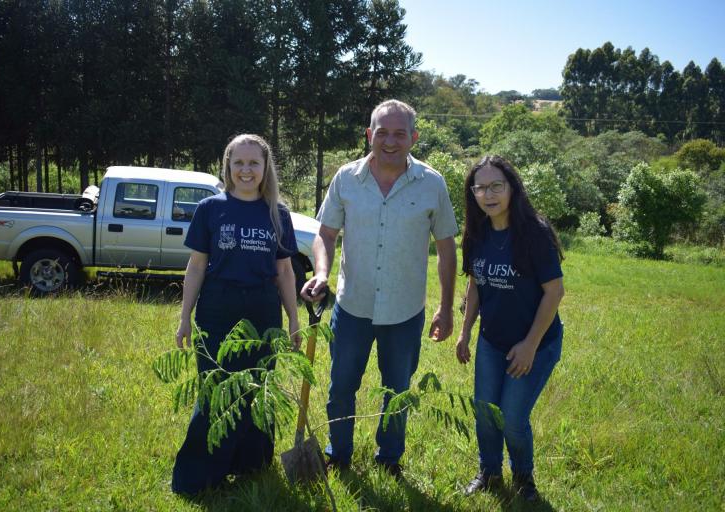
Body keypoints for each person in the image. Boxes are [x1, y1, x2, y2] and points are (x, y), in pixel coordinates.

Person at [301, 99, 458, 478]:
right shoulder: (346, 178)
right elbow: (325, 233)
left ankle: (389, 459)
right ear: (369, 135)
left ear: (413, 137)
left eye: (399, 133)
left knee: (397, 391)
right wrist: (321, 272)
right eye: (382, 132)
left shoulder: (432, 183)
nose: (390, 141)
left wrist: (447, 307)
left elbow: (447, 247)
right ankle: (338, 453)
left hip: (404, 312)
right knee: (341, 387)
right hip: (351, 306)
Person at [172, 134, 301, 495]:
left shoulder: (278, 213)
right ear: (228, 165)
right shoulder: (211, 209)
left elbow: (285, 273)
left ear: (265, 168)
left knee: (257, 388)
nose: (246, 170)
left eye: (254, 163)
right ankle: (199, 477)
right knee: (215, 388)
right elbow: (196, 267)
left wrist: (292, 320)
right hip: (218, 308)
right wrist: (185, 317)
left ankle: (251, 465)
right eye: (238, 162)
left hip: (262, 309)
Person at [455, 155, 565, 502]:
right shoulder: (477, 233)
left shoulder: (534, 233)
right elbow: (475, 285)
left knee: (513, 417)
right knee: (486, 411)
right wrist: (465, 332)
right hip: (492, 341)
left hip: (536, 342)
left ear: (512, 189)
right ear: (473, 194)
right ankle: (488, 473)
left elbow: (554, 291)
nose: (488, 194)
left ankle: (523, 479)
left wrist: (530, 344)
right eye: (480, 188)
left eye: (496, 186)